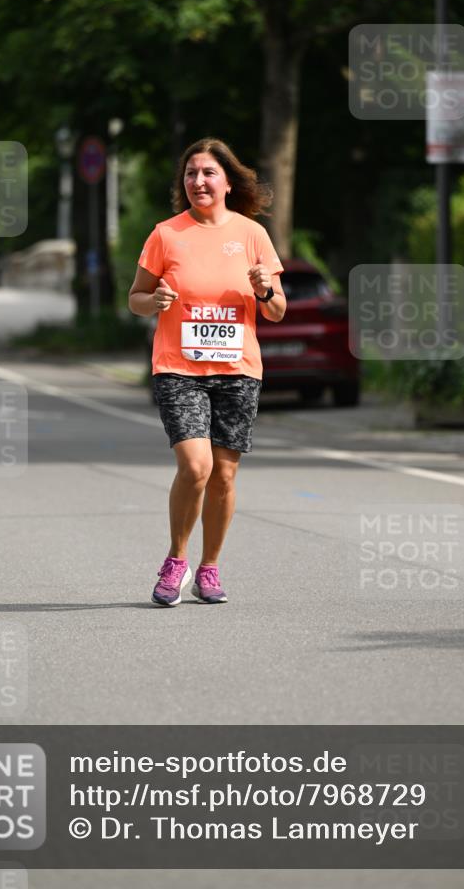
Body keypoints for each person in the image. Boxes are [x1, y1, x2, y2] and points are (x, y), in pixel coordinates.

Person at [128, 137, 286, 607]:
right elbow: (135, 297)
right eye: (191, 173)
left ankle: (209, 567)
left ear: (228, 182)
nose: (198, 180)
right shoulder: (166, 234)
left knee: (224, 476)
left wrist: (264, 290)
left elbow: (277, 311)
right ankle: (176, 560)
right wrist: (151, 301)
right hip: (178, 368)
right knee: (196, 467)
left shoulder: (252, 234)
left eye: (208, 173)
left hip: (238, 370)